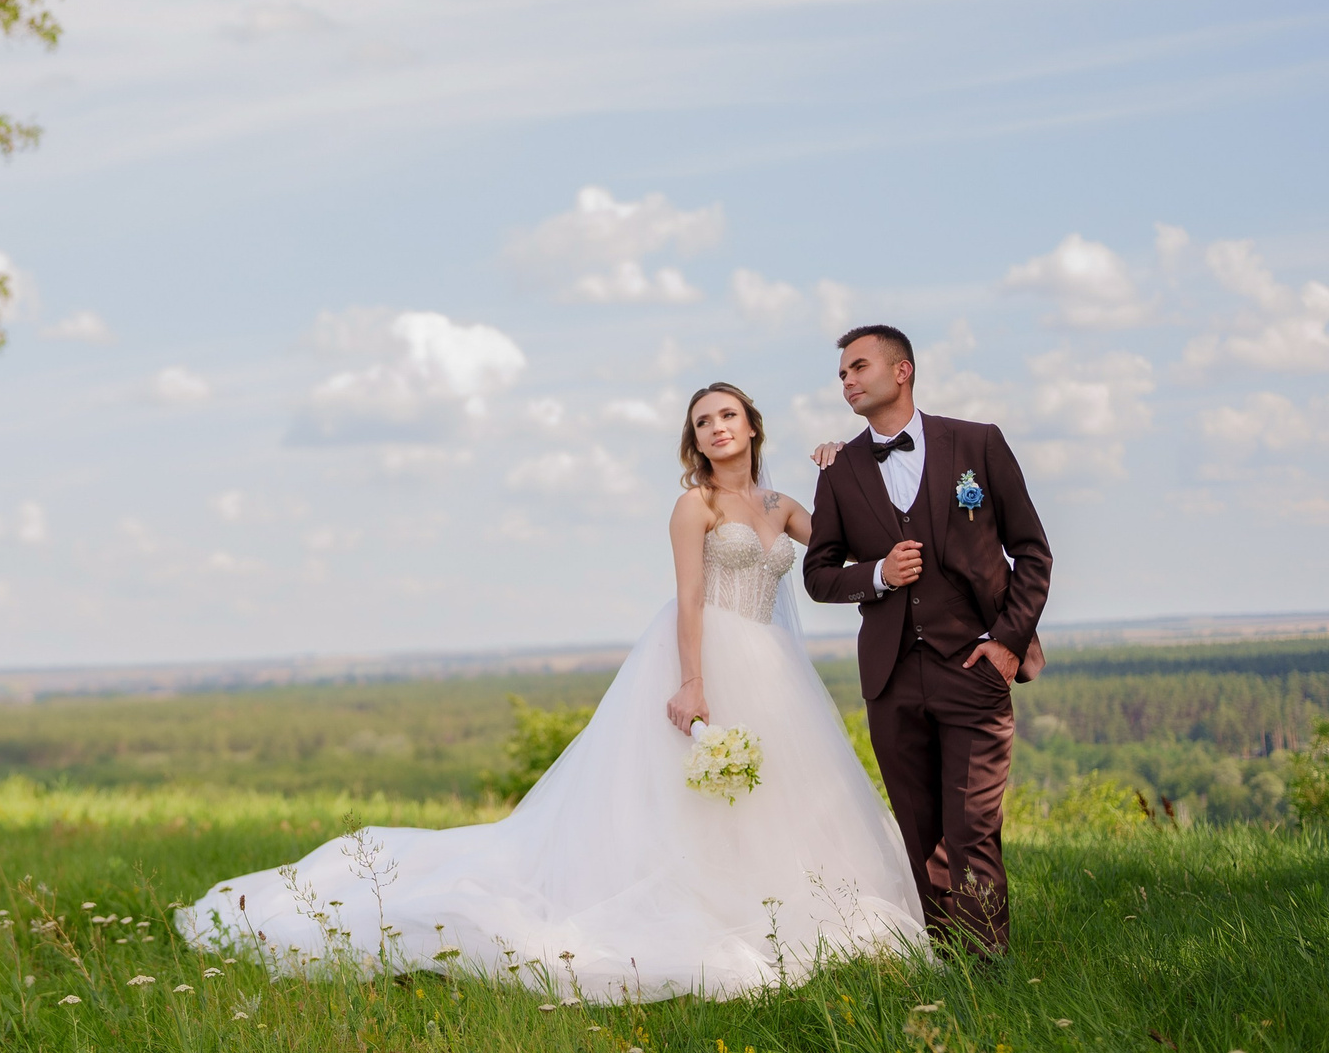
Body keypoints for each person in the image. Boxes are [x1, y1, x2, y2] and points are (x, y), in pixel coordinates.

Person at [175, 383, 924, 1002]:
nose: (717, 427)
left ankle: (777, 897)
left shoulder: (779, 504)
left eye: (727, 414)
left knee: (781, 794)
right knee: (691, 796)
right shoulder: (694, 506)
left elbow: (843, 550)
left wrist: (840, 465)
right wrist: (691, 681)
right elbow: (690, 597)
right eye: (703, 421)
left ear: (752, 425)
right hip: (707, 651)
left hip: (771, 664)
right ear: (695, 442)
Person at [802, 326, 1051, 959]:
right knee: (920, 833)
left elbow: (1031, 551)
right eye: (841, 375)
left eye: (859, 368)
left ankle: (986, 968)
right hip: (890, 677)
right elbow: (819, 574)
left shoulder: (976, 443)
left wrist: (1006, 644)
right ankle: (944, 964)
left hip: (974, 665)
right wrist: (879, 574)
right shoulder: (840, 471)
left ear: (902, 370)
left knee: (971, 830)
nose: (848, 381)